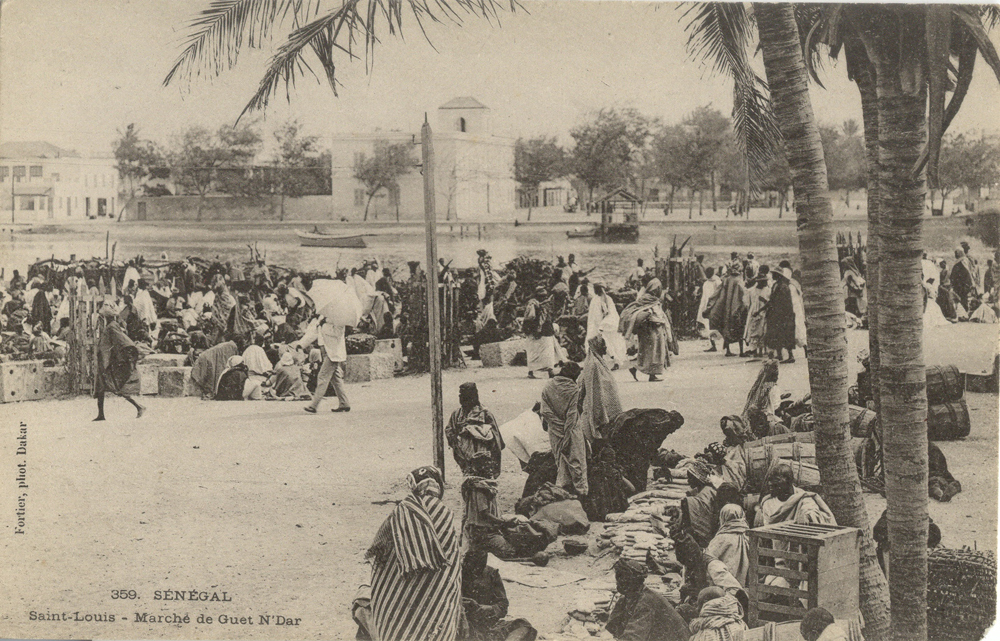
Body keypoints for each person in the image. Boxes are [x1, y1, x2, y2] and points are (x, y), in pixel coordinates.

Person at [366, 466, 462, 641]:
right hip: (436, 593)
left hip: (401, 589)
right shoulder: (445, 513)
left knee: (399, 622)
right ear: (438, 486)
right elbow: (452, 562)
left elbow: (379, 550)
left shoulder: (400, 510)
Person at [459, 549, 536, 641]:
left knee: (523, 625)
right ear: (465, 562)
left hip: (487, 627)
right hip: (464, 626)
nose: (475, 572)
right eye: (471, 566)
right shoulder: (457, 574)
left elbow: (503, 605)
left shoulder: (491, 574)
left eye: (479, 568)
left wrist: (485, 608)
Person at [606, 558, 690, 641]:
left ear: (630, 582)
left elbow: (633, 637)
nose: (618, 583)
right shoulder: (629, 597)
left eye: (621, 579)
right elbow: (613, 625)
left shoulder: (646, 601)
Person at [540, 361, 587, 497]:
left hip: (554, 430)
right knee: (576, 461)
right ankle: (580, 492)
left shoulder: (548, 385)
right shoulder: (573, 389)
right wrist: (566, 434)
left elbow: (545, 411)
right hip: (572, 431)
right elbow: (572, 417)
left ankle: (562, 490)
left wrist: (556, 425)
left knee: (559, 459)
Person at [93, 302, 144, 421]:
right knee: (100, 388)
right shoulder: (110, 325)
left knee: (115, 387)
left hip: (107, 361)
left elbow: (122, 340)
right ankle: (101, 415)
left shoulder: (112, 326)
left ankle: (139, 407)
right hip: (103, 360)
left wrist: (132, 351)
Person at [446, 382, 504, 479]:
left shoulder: (485, 414)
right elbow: (449, 430)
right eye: (461, 395)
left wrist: (476, 432)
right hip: (465, 457)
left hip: (483, 456)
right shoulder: (457, 414)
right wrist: (457, 438)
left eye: (467, 396)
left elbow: (496, 436)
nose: (463, 399)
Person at [619, 278, 671, 382]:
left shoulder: (646, 299)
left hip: (650, 330)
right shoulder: (649, 299)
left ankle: (638, 370)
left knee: (648, 352)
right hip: (652, 329)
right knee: (653, 352)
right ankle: (649, 374)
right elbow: (647, 314)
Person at [299, 312, 350, 414]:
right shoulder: (323, 317)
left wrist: (324, 325)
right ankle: (344, 403)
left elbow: (337, 333)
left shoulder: (340, 317)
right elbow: (314, 332)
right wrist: (301, 344)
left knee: (322, 376)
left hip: (334, 352)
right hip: (325, 351)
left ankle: (314, 405)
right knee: (335, 379)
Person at [755, 463, 836, 526]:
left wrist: (806, 515)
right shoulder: (768, 502)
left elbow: (810, 509)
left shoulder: (802, 497)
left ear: (789, 481)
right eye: (770, 481)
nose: (771, 484)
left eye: (777, 480)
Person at [576, 335, 623, 443]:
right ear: (598, 347)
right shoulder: (594, 364)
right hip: (600, 403)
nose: (606, 348)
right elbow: (593, 389)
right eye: (604, 345)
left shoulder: (598, 362)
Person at [707, 262, 747, 357]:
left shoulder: (726, 280)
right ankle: (741, 351)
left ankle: (728, 350)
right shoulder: (739, 281)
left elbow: (717, 294)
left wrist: (710, 307)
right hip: (736, 308)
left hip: (726, 309)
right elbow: (742, 296)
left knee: (726, 327)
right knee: (740, 328)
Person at [706, 504, 751, 587]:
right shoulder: (748, 536)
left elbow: (708, 559)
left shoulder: (721, 538)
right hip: (746, 584)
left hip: (725, 585)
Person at [586, 282, 627, 367]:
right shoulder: (595, 299)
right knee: (599, 344)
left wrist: (603, 324)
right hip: (597, 326)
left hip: (605, 326)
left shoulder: (607, 299)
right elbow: (593, 315)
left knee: (608, 344)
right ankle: (602, 362)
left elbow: (611, 313)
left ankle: (616, 361)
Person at [762, 268, 797, 363]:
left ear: (778, 275)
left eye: (774, 274)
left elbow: (779, 302)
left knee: (785, 334)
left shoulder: (783, 287)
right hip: (777, 314)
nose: (772, 275)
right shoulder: (776, 285)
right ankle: (780, 355)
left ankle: (790, 356)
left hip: (783, 314)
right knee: (777, 334)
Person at [523, 287, 559, 379]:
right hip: (535, 331)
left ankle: (550, 371)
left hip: (545, 331)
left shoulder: (543, 304)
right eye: (541, 296)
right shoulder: (533, 304)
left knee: (547, 353)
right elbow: (530, 319)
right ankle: (531, 372)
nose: (543, 298)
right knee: (534, 353)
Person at [741, 359, 782, 430]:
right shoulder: (773, 387)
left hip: (752, 418)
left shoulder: (757, 387)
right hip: (765, 420)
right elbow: (776, 406)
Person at [742, 268, 770, 357]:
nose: (765, 283)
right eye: (763, 281)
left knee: (763, 330)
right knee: (754, 330)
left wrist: (764, 301)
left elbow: (770, 302)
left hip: (764, 312)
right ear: (759, 282)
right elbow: (747, 303)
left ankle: (761, 350)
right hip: (754, 312)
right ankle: (755, 350)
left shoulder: (768, 290)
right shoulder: (751, 291)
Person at [698, 267, 722, 344]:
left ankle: (723, 344)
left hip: (714, 306)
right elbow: (704, 297)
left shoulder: (717, 282)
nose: (707, 275)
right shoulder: (706, 283)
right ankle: (713, 344)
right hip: (706, 306)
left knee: (714, 325)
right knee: (707, 325)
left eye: (708, 273)